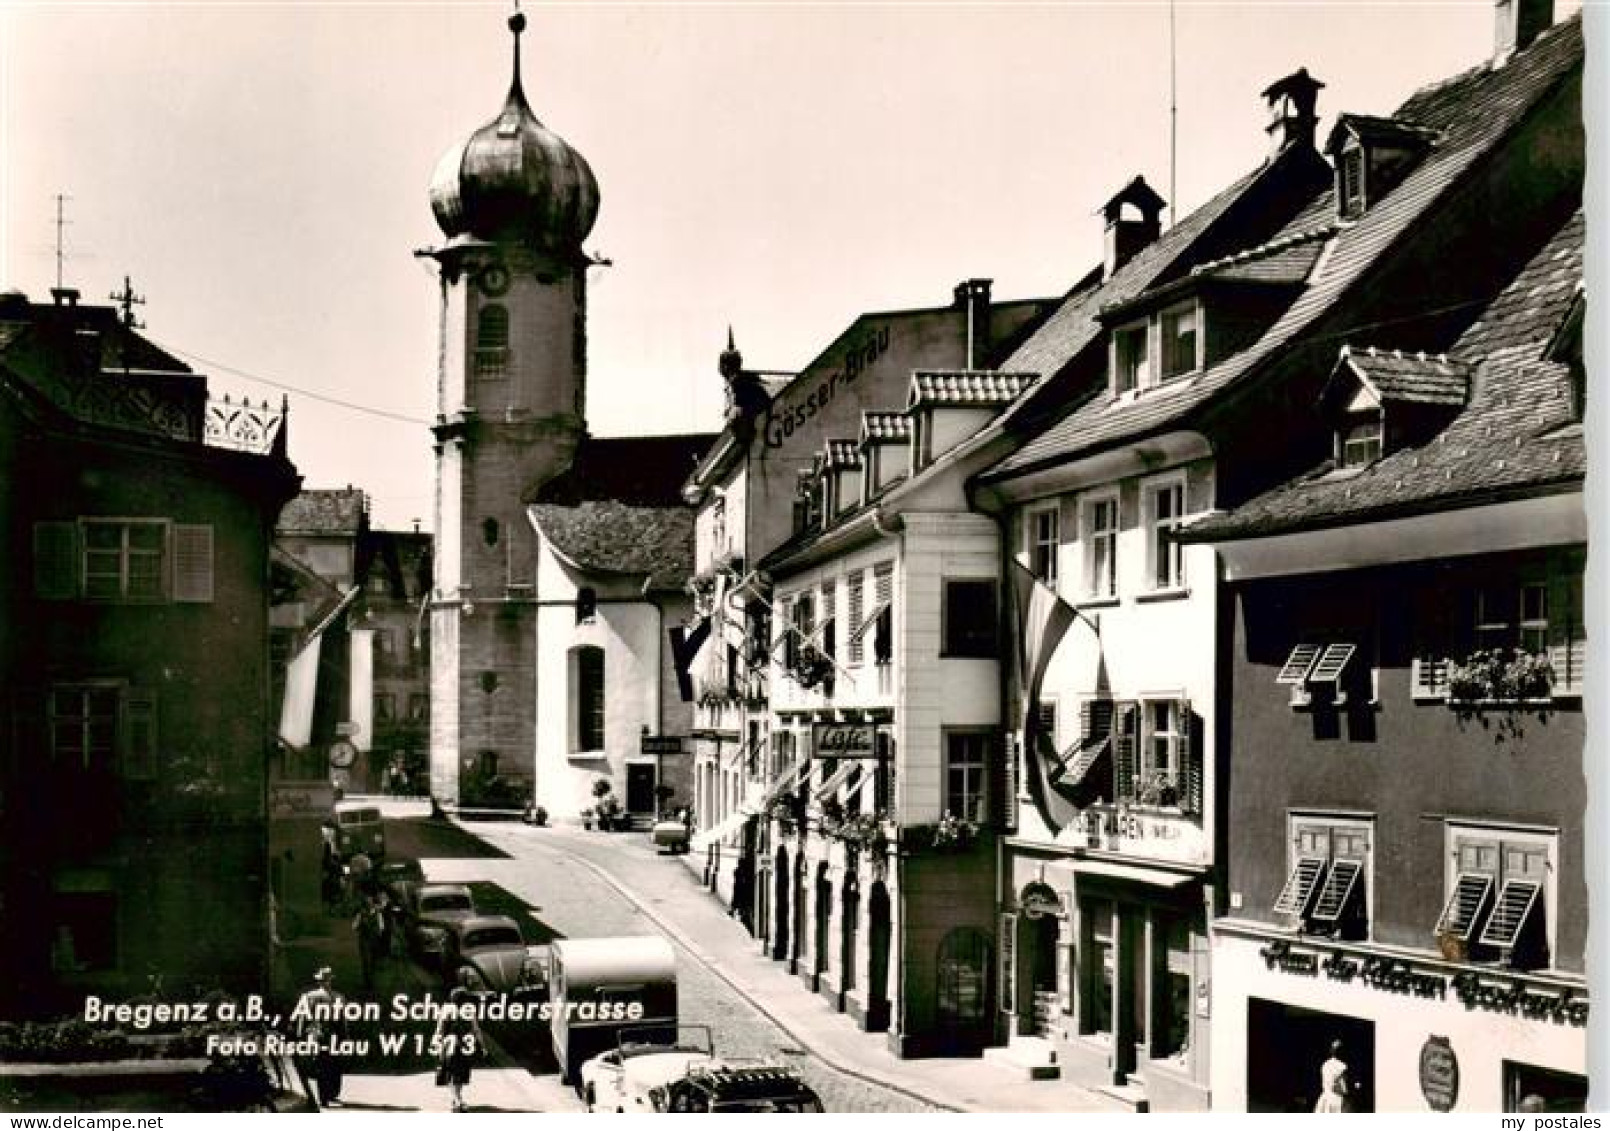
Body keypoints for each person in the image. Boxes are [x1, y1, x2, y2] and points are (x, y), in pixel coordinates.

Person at [293, 967, 345, 1108]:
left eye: (326, 980)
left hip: (331, 1035)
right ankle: (324, 1098)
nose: (325, 983)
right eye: (323, 980)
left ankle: (330, 1094)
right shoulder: (311, 996)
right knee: (322, 1065)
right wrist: (301, 1035)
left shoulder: (338, 997)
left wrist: (344, 1036)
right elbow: (303, 1016)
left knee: (333, 1066)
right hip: (318, 1034)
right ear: (320, 982)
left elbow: (342, 1019)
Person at [434, 981, 485, 1113]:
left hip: (448, 1045)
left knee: (451, 1073)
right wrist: (482, 1046)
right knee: (460, 1074)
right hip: (464, 1046)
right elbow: (476, 1030)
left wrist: (436, 1044)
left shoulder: (446, 1009)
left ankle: (456, 1099)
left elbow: (439, 1029)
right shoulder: (469, 1010)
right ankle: (458, 1099)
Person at [354, 893, 388, 991]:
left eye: (369, 902)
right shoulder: (363, 914)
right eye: (367, 902)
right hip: (368, 941)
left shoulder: (375, 914)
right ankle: (369, 983)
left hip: (370, 940)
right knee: (368, 962)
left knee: (371, 962)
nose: (369, 904)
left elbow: (381, 928)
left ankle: (370, 982)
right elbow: (354, 926)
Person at [1314, 1040, 1351, 1113]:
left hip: (1324, 1099)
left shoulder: (1325, 1064)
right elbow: (1344, 1088)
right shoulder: (1342, 1066)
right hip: (1337, 1100)